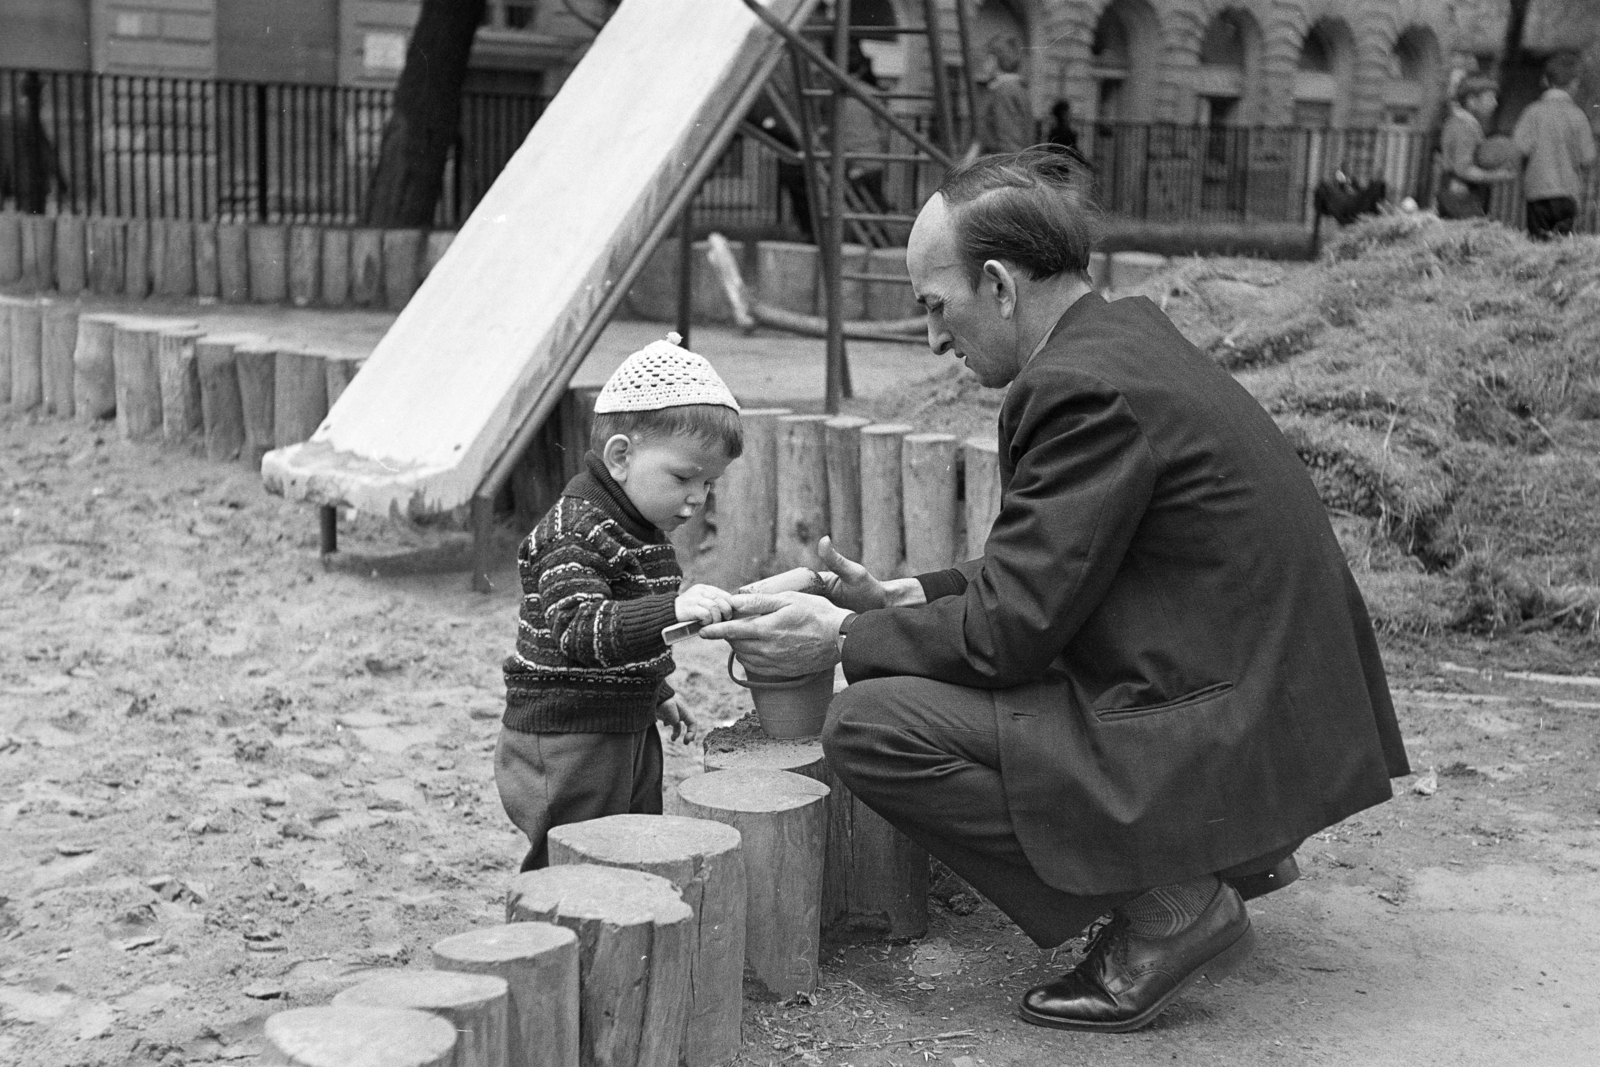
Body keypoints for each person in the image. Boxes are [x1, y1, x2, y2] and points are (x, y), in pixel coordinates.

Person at [701, 148, 1409, 1033]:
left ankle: (1172, 905)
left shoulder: (1076, 389)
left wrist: (839, 639)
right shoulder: (1125, 338)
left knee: (871, 727)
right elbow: (1056, 572)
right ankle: (1228, 851)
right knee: (910, 673)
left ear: (998, 284)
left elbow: (1010, 633)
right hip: (1272, 711)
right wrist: (901, 596)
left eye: (934, 307)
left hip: (1230, 723)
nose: (931, 339)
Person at [496, 337, 741, 871]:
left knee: (630, 846)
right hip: (568, 735)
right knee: (577, 859)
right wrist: (674, 609)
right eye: (683, 477)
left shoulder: (641, 527)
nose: (697, 497)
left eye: (709, 483)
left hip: (621, 722)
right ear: (621, 456)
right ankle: (552, 950)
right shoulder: (573, 530)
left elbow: (625, 629)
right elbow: (581, 632)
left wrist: (655, 691)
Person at [1512, 51, 1597, 240]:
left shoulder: (1532, 112)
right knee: (1561, 248)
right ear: (1574, 83)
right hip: (1568, 194)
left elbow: (1519, 149)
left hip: (1538, 193)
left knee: (1538, 245)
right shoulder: (1578, 116)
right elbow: (1588, 157)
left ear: (1545, 80)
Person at [1436, 74, 1515, 218]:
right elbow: (1463, 169)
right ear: (1472, 101)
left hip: (1459, 194)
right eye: (1490, 98)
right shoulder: (1463, 127)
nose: (1495, 103)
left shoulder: (1463, 123)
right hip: (1461, 197)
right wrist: (1497, 175)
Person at [976, 35, 1034, 155]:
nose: (983, 64)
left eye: (986, 58)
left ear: (995, 60)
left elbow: (1008, 141)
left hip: (1000, 164)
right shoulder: (1015, 88)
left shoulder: (1003, 91)